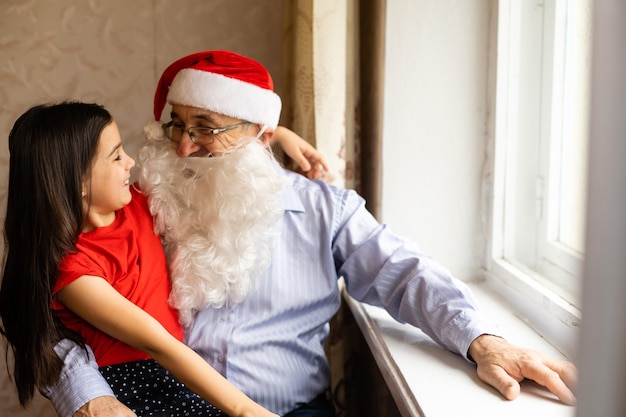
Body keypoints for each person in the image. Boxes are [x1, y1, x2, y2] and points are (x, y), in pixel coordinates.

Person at [43, 50, 578, 417]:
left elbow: (405, 275)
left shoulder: (328, 212)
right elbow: (42, 301)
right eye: (176, 124)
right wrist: (86, 395)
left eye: (206, 128)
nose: (183, 148)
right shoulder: (138, 202)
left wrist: (483, 342)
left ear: (262, 136)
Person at [0, 101, 324, 417]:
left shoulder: (139, 204)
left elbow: (215, 168)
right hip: (137, 390)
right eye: (116, 157)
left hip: (176, 375)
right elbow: (159, 344)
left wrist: (273, 134)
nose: (130, 162)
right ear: (80, 181)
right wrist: (245, 410)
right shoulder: (75, 273)